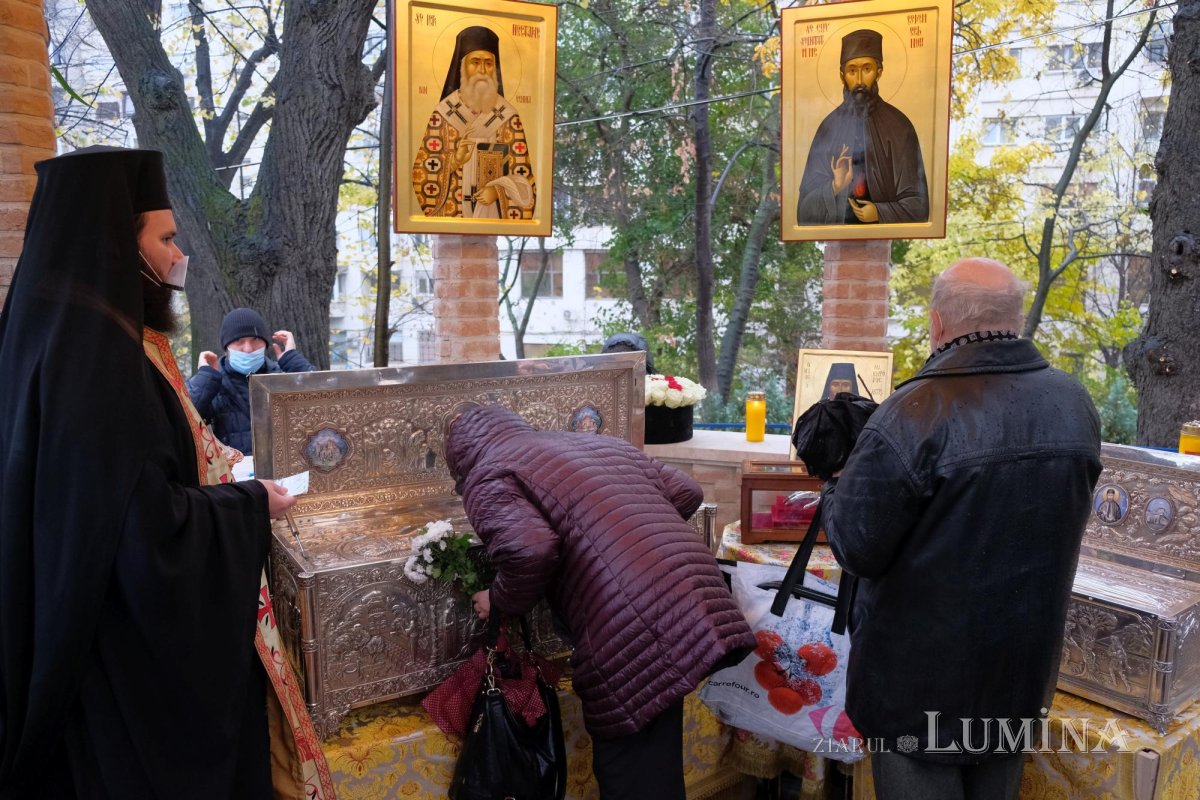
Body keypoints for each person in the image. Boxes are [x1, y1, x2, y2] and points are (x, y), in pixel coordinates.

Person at [0, 147, 334, 799]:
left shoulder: (48, 336)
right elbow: (142, 535)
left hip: (63, 640)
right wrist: (248, 506)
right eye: (166, 237)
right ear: (117, 243)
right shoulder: (100, 361)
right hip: (115, 677)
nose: (177, 256)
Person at [821, 258, 1101, 799]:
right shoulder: (1074, 403)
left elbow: (856, 547)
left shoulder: (913, 412)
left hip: (917, 692)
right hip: (1018, 678)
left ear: (938, 323)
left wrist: (836, 482)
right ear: (1015, 320)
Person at [445, 406, 755, 800]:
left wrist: (499, 598)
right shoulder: (598, 443)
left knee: (629, 767)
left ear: (459, 459)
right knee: (654, 745)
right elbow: (686, 491)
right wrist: (632, 543)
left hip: (631, 621)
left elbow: (531, 550)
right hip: (692, 593)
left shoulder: (487, 473)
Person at [796, 29, 929, 226]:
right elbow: (803, 213)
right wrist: (835, 185)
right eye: (852, 71)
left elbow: (920, 207)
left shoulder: (900, 126)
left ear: (879, 72)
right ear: (842, 76)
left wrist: (880, 212)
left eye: (866, 69)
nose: (859, 81)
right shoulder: (828, 128)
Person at [412, 25, 536, 220]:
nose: (482, 70)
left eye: (488, 63)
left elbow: (524, 177)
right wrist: (455, 160)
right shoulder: (444, 113)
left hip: (493, 214)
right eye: (475, 62)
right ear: (462, 66)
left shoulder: (508, 116)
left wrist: (497, 191)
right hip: (453, 214)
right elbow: (422, 171)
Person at [188, 307, 317, 455]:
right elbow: (183, 419)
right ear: (226, 348)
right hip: (233, 475)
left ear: (265, 344)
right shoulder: (212, 384)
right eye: (238, 341)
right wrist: (205, 379)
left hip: (282, 474)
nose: (248, 349)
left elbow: (325, 409)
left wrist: (295, 364)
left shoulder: (282, 378)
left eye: (255, 339)